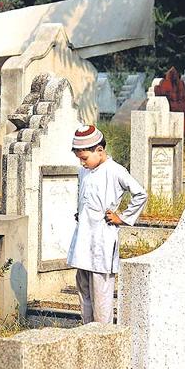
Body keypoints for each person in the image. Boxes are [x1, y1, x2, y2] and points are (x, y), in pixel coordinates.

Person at [67, 125, 148, 324]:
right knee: (83, 290)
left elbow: (140, 194)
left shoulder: (115, 171)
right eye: (79, 158)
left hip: (102, 239)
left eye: (84, 158)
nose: (82, 162)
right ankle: (86, 333)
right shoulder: (84, 171)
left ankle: (103, 338)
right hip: (83, 239)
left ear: (100, 150)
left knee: (101, 294)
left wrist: (123, 217)